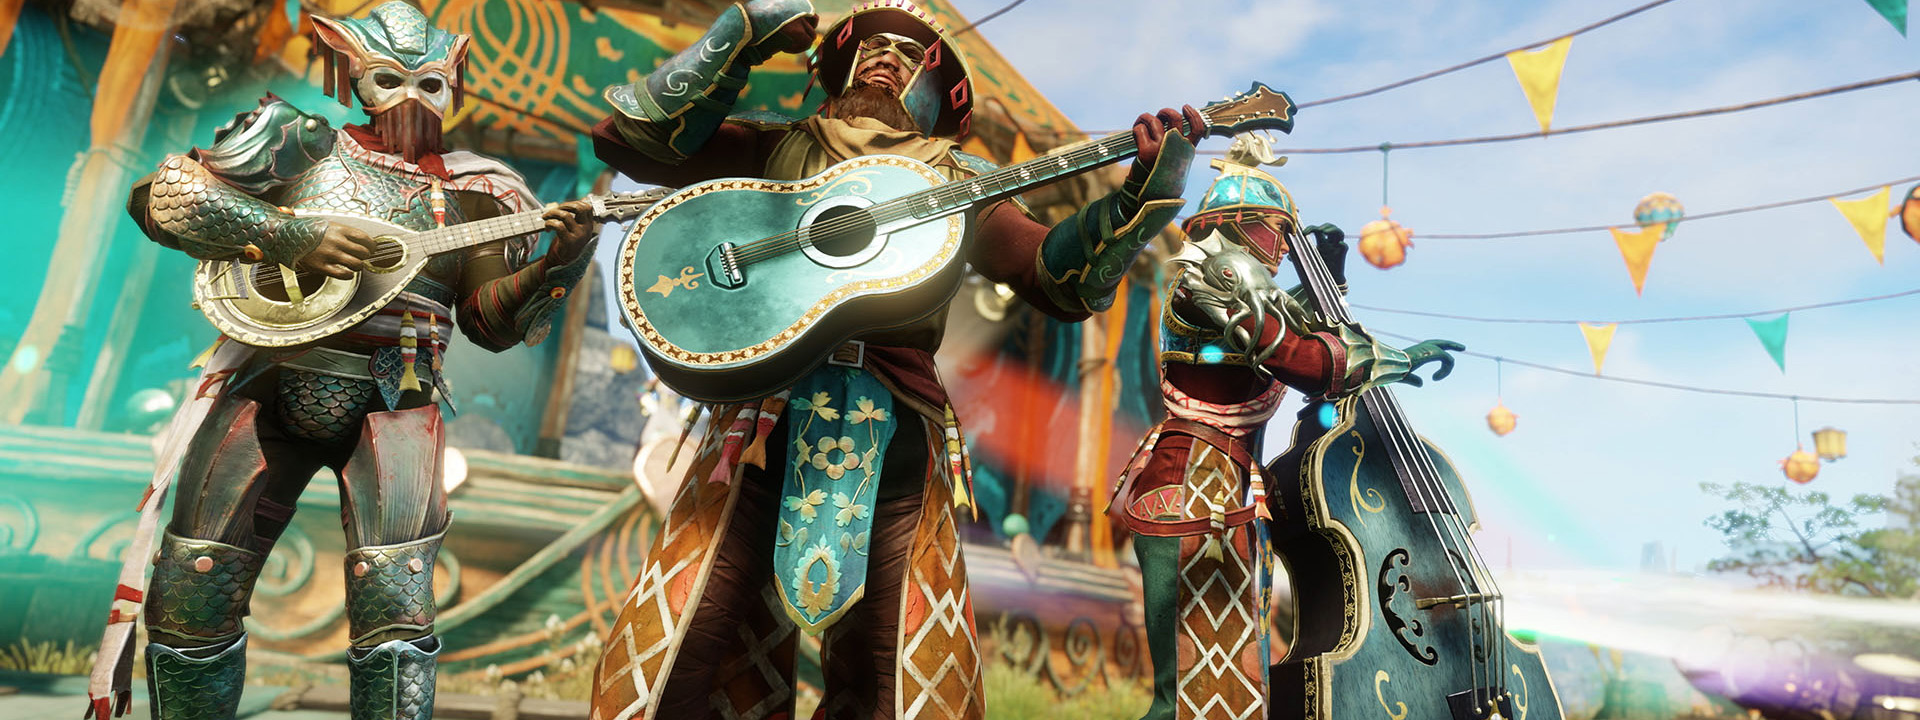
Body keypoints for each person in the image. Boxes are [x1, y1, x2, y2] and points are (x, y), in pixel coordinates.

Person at [586, 1, 1206, 717]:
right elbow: (627, 139)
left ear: (938, 99)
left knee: (901, 676)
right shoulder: (781, 144)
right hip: (758, 418)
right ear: (841, 66)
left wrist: (1143, 194)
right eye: (873, 47)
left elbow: (1056, 278)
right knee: (683, 642)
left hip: (898, 426)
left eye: (913, 58)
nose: (889, 58)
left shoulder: (955, 178)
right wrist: (739, 34)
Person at [84, 4, 598, 719]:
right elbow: (164, 199)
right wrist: (286, 237)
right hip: (267, 385)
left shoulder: (485, 189)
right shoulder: (300, 142)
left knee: (397, 620)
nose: (413, 99)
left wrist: (558, 265)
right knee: (193, 590)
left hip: (399, 401)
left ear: (456, 83)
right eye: (391, 78)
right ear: (354, 72)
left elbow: (489, 322)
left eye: (432, 84)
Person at [1108, 135, 1462, 720]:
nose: (1278, 250)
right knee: (1185, 697)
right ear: (1237, 226)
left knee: (1230, 690)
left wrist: (1329, 276)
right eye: (1276, 233)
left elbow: (1299, 324)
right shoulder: (1210, 278)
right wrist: (1401, 359)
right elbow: (1308, 359)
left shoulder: (1236, 290)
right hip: (1188, 490)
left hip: (1222, 491)